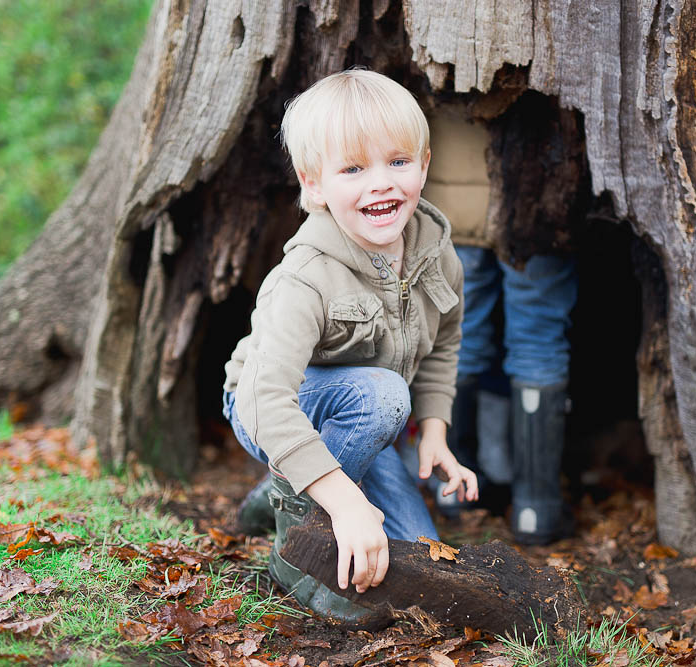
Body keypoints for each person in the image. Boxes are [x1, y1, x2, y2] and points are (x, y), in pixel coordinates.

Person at [222, 69, 478, 620]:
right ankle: (299, 548)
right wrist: (345, 507)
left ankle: (283, 490)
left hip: (369, 414)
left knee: (421, 558)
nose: (380, 183)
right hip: (266, 406)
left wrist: (434, 432)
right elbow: (265, 400)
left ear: (425, 162)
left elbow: (445, 342)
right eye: (354, 168)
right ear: (313, 184)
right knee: (383, 396)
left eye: (397, 162)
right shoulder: (304, 278)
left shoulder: (436, 251)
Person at [421, 106, 578, 545]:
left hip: (453, 198)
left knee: (461, 336)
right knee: (539, 340)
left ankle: (453, 490)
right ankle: (536, 507)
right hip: (538, 190)